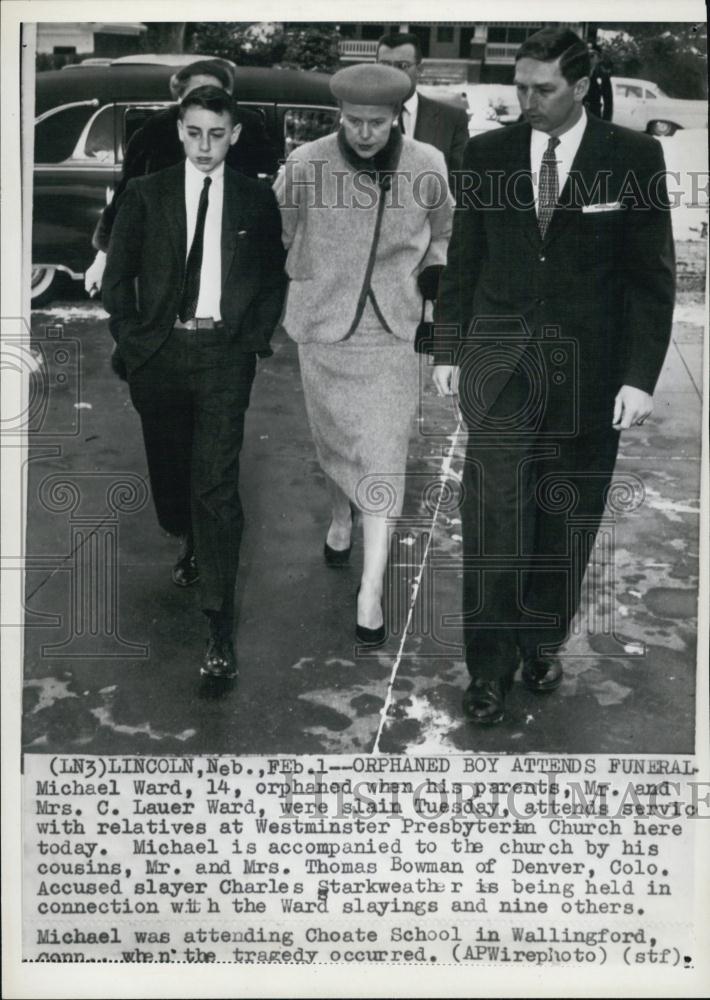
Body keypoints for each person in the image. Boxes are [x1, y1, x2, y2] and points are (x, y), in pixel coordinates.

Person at [433, 27, 675, 725]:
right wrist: (449, 350)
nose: (527, 101)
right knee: (494, 521)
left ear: (580, 84)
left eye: (542, 89)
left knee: (565, 522)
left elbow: (649, 280)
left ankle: (541, 639)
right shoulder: (486, 154)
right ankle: (487, 669)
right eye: (520, 87)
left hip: (590, 379)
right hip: (500, 371)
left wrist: (638, 378)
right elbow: (465, 259)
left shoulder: (631, 157)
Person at [102, 86, 287, 679]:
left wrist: (250, 341)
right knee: (172, 473)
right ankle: (185, 535)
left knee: (217, 485)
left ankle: (218, 630)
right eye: (194, 132)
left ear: (233, 135)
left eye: (216, 134)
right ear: (180, 131)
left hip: (221, 357)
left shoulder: (257, 201)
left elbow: (270, 280)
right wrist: (133, 340)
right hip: (158, 353)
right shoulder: (145, 195)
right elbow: (116, 278)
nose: (204, 146)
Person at [274, 63, 453, 646]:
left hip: (393, 333)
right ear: (339, 115)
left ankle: (371, 590)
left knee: (381, 456)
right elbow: (277, 231)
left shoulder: (426, 164)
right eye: (354, 121)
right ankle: (340, 515)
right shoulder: (305, 163)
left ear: (398, 116)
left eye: (377, 122)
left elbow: (445, 233)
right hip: (325, 329)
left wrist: (433, 278)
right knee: (335, 444)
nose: (365, 133)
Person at [85, 58, 278, 297]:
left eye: (215, 94)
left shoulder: (246, 126)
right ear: (179, 100)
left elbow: (267, 177)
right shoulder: (154, 131)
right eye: (196, 96)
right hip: (165, 255)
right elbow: (125, 197)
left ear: (229, 95)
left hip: (229, 254)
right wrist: (102, 258)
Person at [376, 31, 469, 175]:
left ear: (420, 69)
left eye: (402, 65)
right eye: (384, 65)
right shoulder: (352, 117)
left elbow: (461, 183)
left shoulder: (452, 119)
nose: (392, 73)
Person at [584, 42, 614, 121]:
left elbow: (608, 102)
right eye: (587, 55)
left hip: (595, 115)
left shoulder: (603, 76)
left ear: (599, 58)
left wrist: (606, 122)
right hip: (579, 116)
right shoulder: (579, 73)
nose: (589, 58)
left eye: (592, 55)